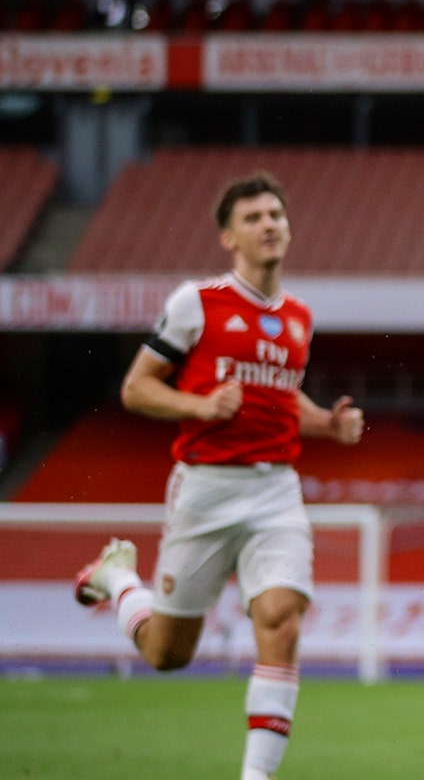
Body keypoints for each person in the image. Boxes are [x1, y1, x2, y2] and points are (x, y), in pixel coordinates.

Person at [72, 171, 366, 780]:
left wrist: (326, 424)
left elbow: (279, 399)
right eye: (254, 218)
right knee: (167, 654)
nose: (269, 225)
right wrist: (199, 406)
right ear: (229, 238)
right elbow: (137, 388)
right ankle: (118, 578)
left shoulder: (299, 318)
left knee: (281, 620)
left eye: (276, 216)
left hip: (276, 489)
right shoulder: (196, 303)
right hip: (206, 488)